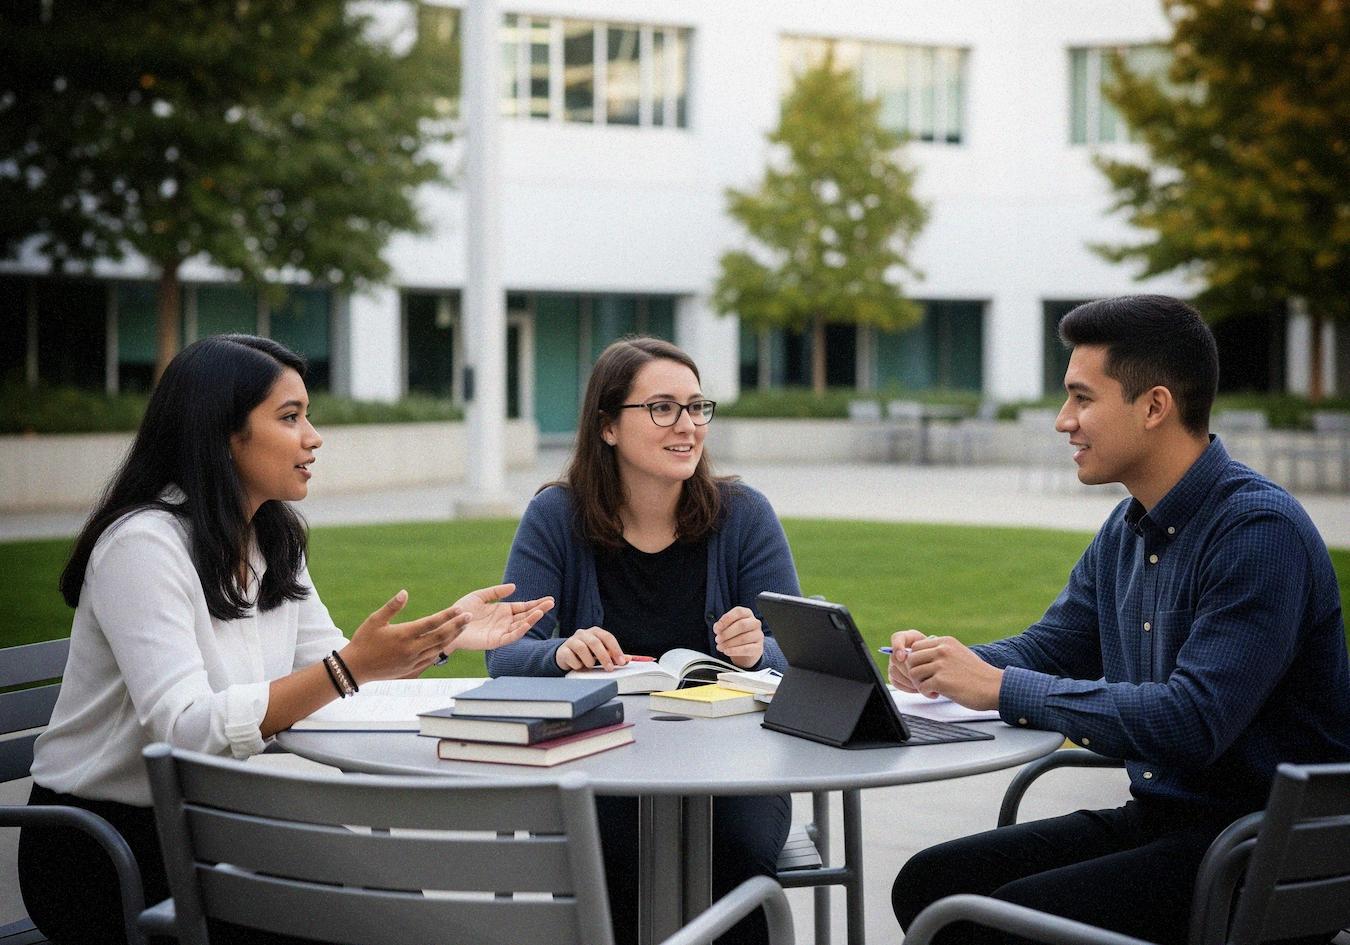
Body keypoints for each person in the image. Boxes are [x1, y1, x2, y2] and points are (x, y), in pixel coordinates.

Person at [18, 335, 553, 945]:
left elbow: (339, 670)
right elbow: (186, 728)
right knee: (377, 919)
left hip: (214, 822)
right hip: (104, 846)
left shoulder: (272, 539)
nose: (313, 437)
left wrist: (447, 633)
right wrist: (348, 668)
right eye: (290, 417)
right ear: (223, 432)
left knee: (407, 907)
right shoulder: (144, 547)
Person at [887, 295, 1350, 945]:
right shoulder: (1129, 526)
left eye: (1081, 398)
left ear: (1154, 405)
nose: (1062, 421)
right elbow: (1057, 645)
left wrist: (997, 687)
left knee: (983, 923)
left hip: (1260, 855)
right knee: (931, 883)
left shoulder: (1258, 533)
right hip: (1167, 822)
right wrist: (944, 665)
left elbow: (1192, 720)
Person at [487, 336, 800, 945]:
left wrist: (758, 652)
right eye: (663, 408)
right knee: (608, 851)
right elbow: (504, 653)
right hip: (599, 760)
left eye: (697, 407)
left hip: (734, 765)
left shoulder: (743, 515)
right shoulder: (556, 516)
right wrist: (559, 652)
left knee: (735, 852)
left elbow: (805, 657)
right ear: (607, 427)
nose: (687, 426)